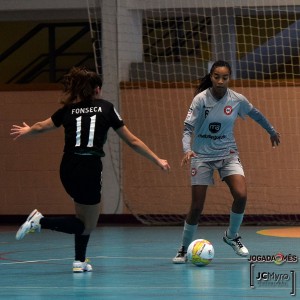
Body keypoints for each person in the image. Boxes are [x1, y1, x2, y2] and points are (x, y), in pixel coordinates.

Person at [10, 66, 170, 273]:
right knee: (87, 224)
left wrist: (27, 130)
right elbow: (132, 141)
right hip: (89, 167)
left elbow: (42, 126)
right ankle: (40, 221)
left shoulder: (68, 109)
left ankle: (79, 261)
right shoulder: (106, 108)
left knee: (82, 216)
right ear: (97, 90)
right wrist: (156, 159)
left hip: (67, 168)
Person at [172, 60, 280, 263]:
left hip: (227, 154)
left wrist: (271, 130)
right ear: (211, 77)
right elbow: (187, 129)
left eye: (225, 77)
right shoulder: (200, 100)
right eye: (216, 77)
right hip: (201, 156)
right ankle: (184, 249)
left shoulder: (237, 99)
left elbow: (256, 114)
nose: (220, 81)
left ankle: (231, 236)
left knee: (241, 194)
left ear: (229, 78)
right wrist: (187, 150)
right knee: (196, 206)